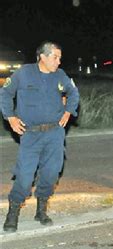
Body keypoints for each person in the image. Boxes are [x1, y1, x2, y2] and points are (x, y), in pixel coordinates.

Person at [0, 41, 79, 232]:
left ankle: (41, 210)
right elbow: (5, 93)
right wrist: (10, 117)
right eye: (55, 57)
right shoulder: (24, 73)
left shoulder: (60, 75)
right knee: (25, 176)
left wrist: (68, 111)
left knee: (51, 173)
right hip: (31, 134)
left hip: (55, 133)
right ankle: (13, 212)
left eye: (59, 58)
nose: (59, 62)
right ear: (42, 57)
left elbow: (73, 93)